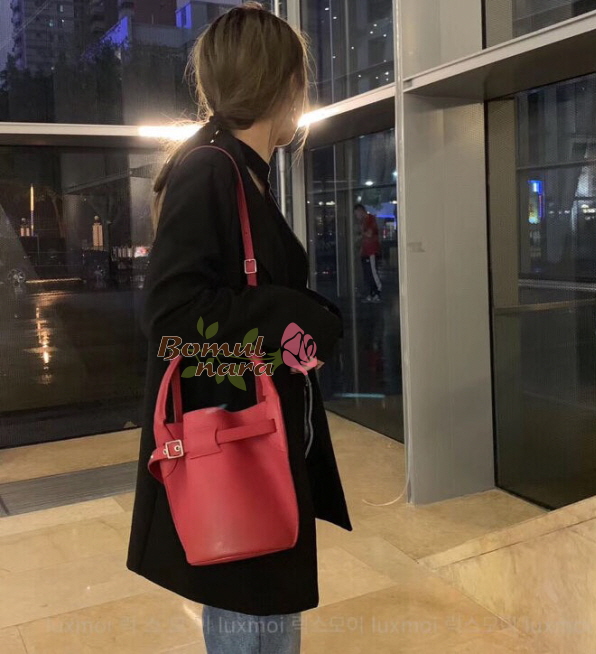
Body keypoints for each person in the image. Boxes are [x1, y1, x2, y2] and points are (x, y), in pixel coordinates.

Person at [126, 4, 352, 653]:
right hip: (237, 442)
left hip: (253, 434)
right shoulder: (211, 169)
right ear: (285, 85)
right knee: (251, 611)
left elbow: (237, 300)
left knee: (263, 606)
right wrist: (294, 315)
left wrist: (299, 325)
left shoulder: (240, 170)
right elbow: (171, 315)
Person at [354, 203, 382, 302]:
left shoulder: (370, 219)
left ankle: (377, 291)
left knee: (372, 271)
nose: (357, 216)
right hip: (366, 251)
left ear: (361, 211)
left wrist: (361, 233)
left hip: (371, 250)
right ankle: (371, 292)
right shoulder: (363, 222)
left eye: (357, 214)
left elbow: (369, 234)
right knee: (367, 273)